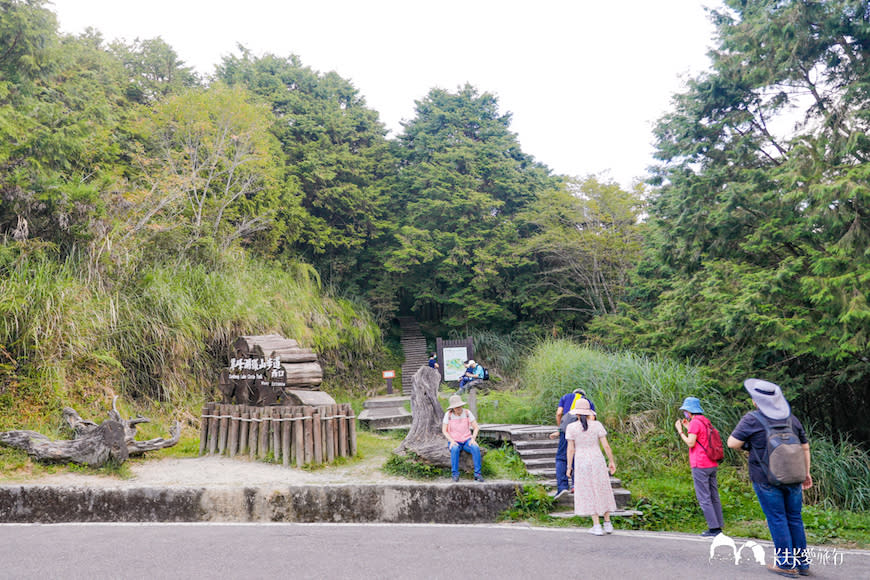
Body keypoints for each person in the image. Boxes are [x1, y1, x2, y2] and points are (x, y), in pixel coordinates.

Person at [727, 379, 812, 577]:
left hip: (766, 479)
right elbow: (805, 447)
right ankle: (802, 563)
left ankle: (785, 563)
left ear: (756, 401)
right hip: (794, 476)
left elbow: (732, 443)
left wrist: (749, 447)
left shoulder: (752, 419)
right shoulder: (792, 419)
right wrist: (806, 473)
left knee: (777, 518)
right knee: (795, 518)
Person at [565, 398, 617, 535]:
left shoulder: (571, 428)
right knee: (601, 487)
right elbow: (606, 445)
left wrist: (569, 467)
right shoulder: (597, 425)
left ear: (576, 413)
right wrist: (611, 461)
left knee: (589, 490)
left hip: (582, 461)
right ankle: (607, 523)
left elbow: (570, 450)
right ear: (589, 412)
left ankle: (596, 525)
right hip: (597, 459)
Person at [675, 396, 724, 537]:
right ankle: (719, 525)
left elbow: (691, 443)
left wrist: (680, 431)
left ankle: (713, 528)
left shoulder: (695, 422)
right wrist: (687, 427)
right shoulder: (705, 421)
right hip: (712, 463)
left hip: (700, 464)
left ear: (689, 411)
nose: (685, 413)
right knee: (714, 495)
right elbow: (701, 436)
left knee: (704, 497)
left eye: (685, 411)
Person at [554, 388, 596, 499]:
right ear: (584, 394)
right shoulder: (587, 402)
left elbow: (559, 413)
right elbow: (591, 418)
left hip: (566, 429)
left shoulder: (565, 397)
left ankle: (562, 487)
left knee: (561, 458)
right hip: (581, 429)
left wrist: (560, 428)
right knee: (578, 455)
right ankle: (576, 485)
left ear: (574, 393)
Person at [441, 394, 484, 482]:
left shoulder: (467, 413)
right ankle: (455, 474)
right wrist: (452, 441)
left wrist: (473, 439)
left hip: (467, 440)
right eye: (456, 407)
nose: (459, 409)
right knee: (455, 449)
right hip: (454, 440)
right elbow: (444, 430)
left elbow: (476, 427)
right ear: (452, 408)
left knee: (475, 448)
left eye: (460, 406)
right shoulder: (448, 415)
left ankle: (478, 474)